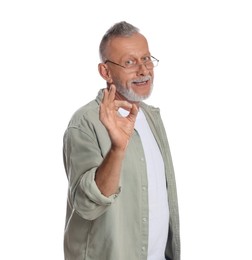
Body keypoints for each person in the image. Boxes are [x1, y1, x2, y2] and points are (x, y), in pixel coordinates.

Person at [63, 21, 180, 260]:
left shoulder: (151, 117)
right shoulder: (84, 123)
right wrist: (117, 147)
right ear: (105, 72)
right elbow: (87, 205)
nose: (144, 70)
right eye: (129, 62)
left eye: (146, 59)